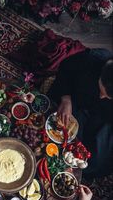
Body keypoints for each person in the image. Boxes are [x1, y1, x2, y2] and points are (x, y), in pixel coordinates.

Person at [48, 48, 113, 178]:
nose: (101, 96)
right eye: (101, 89)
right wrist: (66, 98)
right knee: (58, 130)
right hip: (77, 99)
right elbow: (65, 68)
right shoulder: (92, 58)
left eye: (106, 95)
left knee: (96, 161)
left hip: (103, 115)